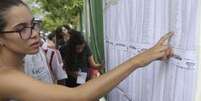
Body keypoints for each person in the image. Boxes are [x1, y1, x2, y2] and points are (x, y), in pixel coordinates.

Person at [0, 0, 173, 100]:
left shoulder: (26, 60)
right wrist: (137, 60)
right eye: (21, 28)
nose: (35, 34)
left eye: (33, 24)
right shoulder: (5, 77)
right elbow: (78, 97)